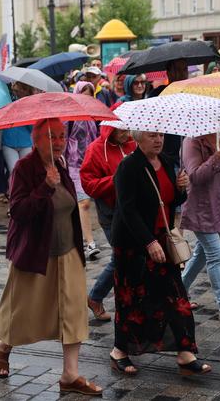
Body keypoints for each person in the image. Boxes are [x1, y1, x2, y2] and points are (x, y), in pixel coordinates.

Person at [0, 119, 103, 396]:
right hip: (35, 252)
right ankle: (3, 345)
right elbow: (18, 210)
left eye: (61, 136)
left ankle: (70, 374)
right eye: (50, 136)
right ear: (36, 139)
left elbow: (69, 205)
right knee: (22, 310)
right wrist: (44, 186)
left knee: (74, 312)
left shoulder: (62, 164)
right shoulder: (24, 168)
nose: (57, 142)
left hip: (68, 251)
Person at [109, 130, 211, 376]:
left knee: (175, 294)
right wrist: (148, 242)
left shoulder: (165, 161)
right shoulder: (129, 166)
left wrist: (180, 189)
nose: (158, 140)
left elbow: (169, 201)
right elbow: (127, 210)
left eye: (160, 136)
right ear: (138, 138)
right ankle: (119, 351)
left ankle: (186, 353)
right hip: (134, 244)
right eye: (152, 136)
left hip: (162, 239)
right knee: (131, 299)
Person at [180, 133, 220, 326]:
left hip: (218, 206)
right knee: (215, 256)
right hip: (200, 208)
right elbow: (195, 176)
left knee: (202, 253)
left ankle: (179, 292)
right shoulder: (191, 141)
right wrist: (218, 156)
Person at [81, 121, 136, 321]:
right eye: (122, 130)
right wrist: (115, 179)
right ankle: (96, 296)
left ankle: (131, 302)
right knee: (121, 257)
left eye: (129, 129)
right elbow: (88, 184)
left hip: (132, 210)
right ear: (111, 128)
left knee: (133, 256)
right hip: (111, 212)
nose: (127, 133)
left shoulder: (132, 144)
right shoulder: (95, 149)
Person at [67, 81, 101, 259]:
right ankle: (89, 243)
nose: (86, 99)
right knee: (84, 203)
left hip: (89, 165)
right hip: (72, 166)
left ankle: (75, 238)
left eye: (90, 95)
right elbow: (63, 140)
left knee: (77, 205)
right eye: (83, 95)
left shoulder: (93, 116)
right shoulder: (69, 117)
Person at [2, 82, 34, 179]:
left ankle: (24, 193)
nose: (19, 91)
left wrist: (25, 115)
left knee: (26, 171)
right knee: (14, 171)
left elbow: (33, 127)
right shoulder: (9, 100)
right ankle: (15, 193)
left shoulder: (32, 103)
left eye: (22, 89)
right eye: (17, 89)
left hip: (26, 143)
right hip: (9, 143)